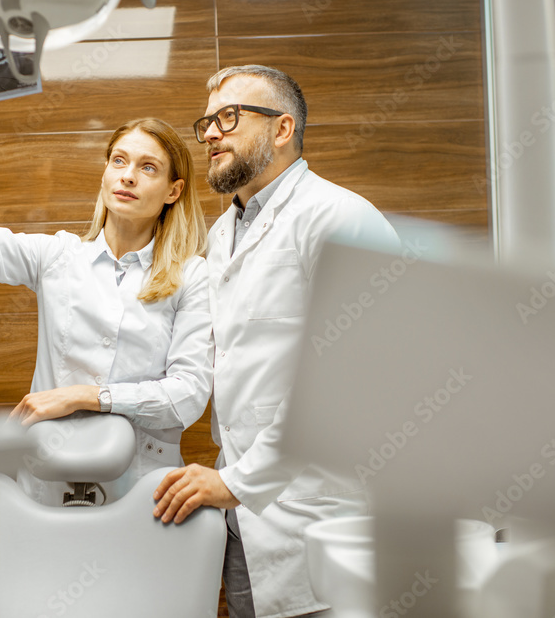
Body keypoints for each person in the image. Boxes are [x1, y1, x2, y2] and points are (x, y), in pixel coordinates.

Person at [0, 31, 214, 505]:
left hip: (143, 493)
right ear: (105, 172)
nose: (128, 175)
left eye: (148, 167)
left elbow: (188, 395)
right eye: (119, 160)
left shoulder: (190, 276)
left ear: (173, 191)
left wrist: (83, 396)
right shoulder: (58, 256)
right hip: (47, 484)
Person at [152, 65, 401, 618]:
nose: (211, 134)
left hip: (327, 512)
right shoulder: (222, 235)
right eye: (208, 122)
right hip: (246, 519)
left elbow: (349, 375)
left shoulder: (339, 217)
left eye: (229, 117)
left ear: (282, 129)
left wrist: (239, 481)